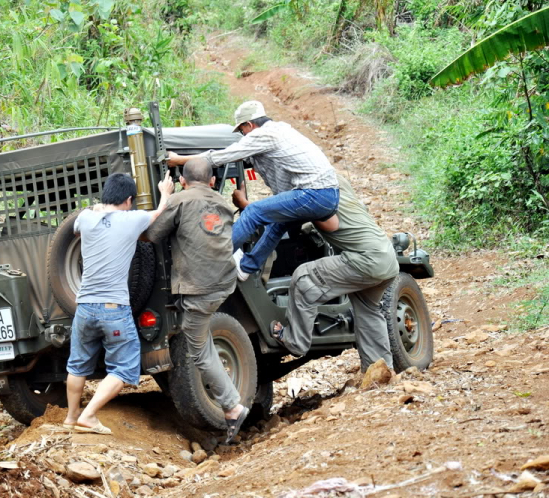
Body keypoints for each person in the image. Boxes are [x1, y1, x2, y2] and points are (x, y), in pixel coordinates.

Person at [167, 100, 340, 281]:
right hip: (329, 196)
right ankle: (246, 267)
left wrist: (180, 160)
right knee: (278, 224)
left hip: (314, 193)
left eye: (242, 131)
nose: (243, 135)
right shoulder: (282, 130)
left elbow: (221, 156)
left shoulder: (263, 134)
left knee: (254, 211)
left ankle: (213, 259)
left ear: (249, 124)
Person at [144, 157, 250, 443]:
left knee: (199, 349)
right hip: (224, 284)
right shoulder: (222, 203)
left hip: (198, 290)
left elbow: (152, 234)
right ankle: (232, 404)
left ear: (182, 181)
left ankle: (233, 406)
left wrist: (164, 199)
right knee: (200, 338)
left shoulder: (179, 201)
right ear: (213, 181)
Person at [63, 171, 174, 434]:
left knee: (77, 365)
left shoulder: (86, 219)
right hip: (114, 308)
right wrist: (165, 194)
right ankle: (88, 416)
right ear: (128, 199)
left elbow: (78, 224)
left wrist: (98, 207)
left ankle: (70, 418)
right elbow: (159, 214)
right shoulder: (132, 219)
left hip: (84, 307)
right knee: (125, 367)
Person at [255, 175, 400, 370]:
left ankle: (294, 340)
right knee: (369, 311)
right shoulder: (335, 181)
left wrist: (247, 205)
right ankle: (380, 370)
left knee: (304, 277)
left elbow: (327, 222)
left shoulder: (315, 191)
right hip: (386, 257)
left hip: (366, 260)